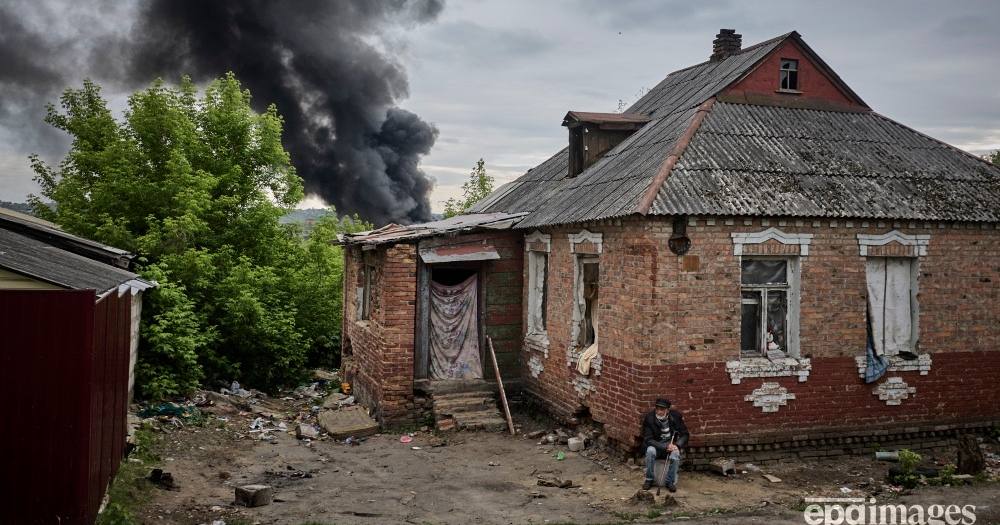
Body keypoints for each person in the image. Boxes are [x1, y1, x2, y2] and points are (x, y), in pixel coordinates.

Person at [640, 398, 689, 492]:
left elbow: (685, 434)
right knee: (650, 451)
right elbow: (648, 439)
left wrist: (677, 445)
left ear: (667, 410)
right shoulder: (649, 418)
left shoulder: (675, 417)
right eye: (657, 409)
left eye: (662, 409)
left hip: (671, 445)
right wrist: (664, 446)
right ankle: (649, 479)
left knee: (675, 454)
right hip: (656, 445)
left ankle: (670, 481)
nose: (659, 412)